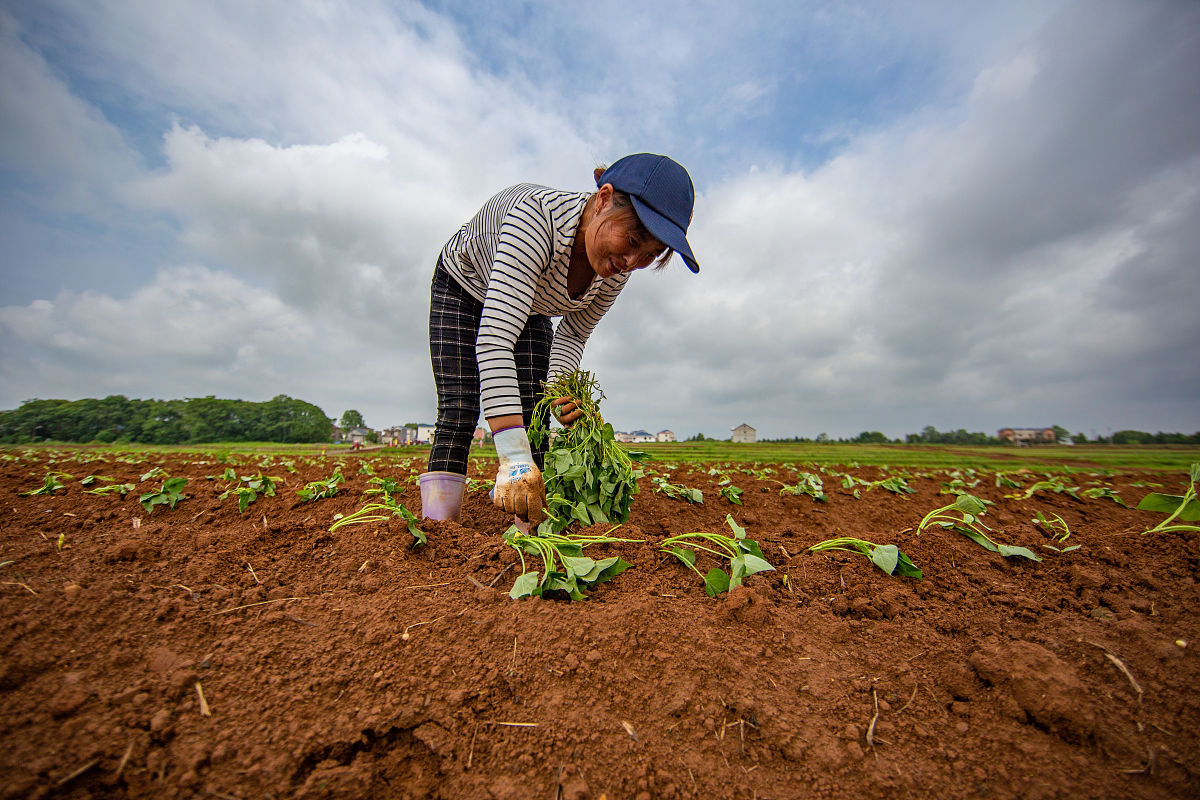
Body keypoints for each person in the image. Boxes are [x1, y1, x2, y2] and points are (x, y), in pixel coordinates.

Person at [418, 153, 700, 526]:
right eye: (632, 239)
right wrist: (514, 460)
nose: (632, 260)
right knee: (460, 408)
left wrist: (559, 392)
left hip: (531, 304)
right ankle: (437, 529)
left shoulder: (617, 268)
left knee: (535, 413)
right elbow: (495, 341)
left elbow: (573, 333)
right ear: (603, 199)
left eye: (649, 254)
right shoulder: (536, 222)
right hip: (465, 285)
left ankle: (527, 533)